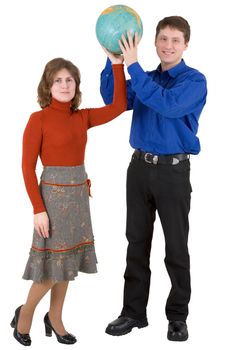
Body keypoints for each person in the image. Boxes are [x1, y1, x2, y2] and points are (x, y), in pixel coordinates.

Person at [100, 16, 207, 341]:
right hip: (139, 171)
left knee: (175, 247)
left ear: (185, 45)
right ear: (154, 41)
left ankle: (177, 317)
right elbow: (114, 100)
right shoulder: (143, 77)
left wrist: (132, 67)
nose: (168, 46)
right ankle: (133, 313)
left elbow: (168, 105)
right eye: (163, 39)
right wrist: (115, 63)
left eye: (175, 40)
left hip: (173, 172)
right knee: (136, 242)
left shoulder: (194, 81)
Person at [11, 51, 126, 346]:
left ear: (76, 85)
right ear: (48, 87)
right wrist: (38, 209)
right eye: (58, 80)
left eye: (70, 80)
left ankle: (56, 317)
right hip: (51, 199)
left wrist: (117, 64)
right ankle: (24, 316)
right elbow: (26, 167)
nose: (65, 85)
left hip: (78, 197)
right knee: (51, 266)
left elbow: (119, 106)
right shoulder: (38, 119)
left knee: (68, 262)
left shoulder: (82, 116)